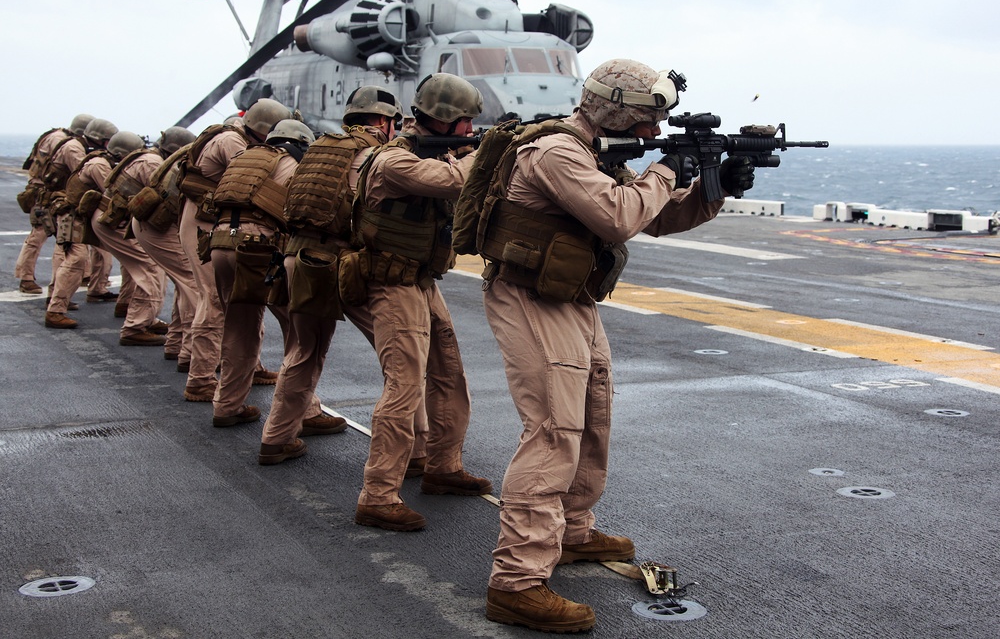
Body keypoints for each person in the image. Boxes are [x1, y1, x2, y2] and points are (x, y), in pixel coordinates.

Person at [479, 59, 754, 633]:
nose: (655, 134)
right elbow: (618, 216)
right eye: (649, 120)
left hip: (570, 295)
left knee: (592, 414)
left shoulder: (595, 152)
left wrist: (714, 188)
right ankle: (517, 582)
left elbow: (657, 219)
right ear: (616, 109)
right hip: (531, 297)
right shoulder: (558, 152)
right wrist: (664, 170)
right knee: (553, 430)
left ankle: (573, 530)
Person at [351, 73, 492, 531]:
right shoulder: (393, 160)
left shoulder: (435, 152)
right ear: (445, 119)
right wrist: (488, 152)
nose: (471, 130)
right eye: (466, 121)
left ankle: (442, 466)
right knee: (404, 385)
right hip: (391, 283)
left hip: (421, 280)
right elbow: (453, 181)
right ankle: (378, 494)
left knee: (449, 370)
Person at [259, 85, 418, 465]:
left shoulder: (317, 148)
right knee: (403, 360)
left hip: (297, 256)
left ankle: (276, 438)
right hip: (336, 263)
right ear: (383, 120)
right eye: (393, 122)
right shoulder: (372, 155)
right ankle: (417, 455)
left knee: (304, 350)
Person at [176, 98, 291, 402]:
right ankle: (200, 378)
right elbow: (258, 179)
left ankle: (248, 368)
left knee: (233, 302)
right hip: (203, 222)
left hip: (213, 220)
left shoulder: (233, 135)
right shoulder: (232, 141)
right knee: (213, 299)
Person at [206, 118, 313, 428]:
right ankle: (306, 411)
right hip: (258, 246)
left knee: (238, 325)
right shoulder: (290, 162)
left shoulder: (244, 157)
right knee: (297, 326)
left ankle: (227, 406)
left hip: (220, 242)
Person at [92, 131, 171, 346]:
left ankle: (134, 309)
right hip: (114, 221)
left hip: (111, 218)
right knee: (150, 267)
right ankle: (135, 327)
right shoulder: (153, 163)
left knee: (138, 266)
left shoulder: (146, 159)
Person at [130, 127, 199, 366]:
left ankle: (176, 343)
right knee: (194, 285)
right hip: (159, 228)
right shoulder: (183, 163)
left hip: (152, 225)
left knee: (185, 284)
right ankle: (191, 353)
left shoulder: (168, 160)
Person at [42, 118, 119, 329]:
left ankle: (84, 294)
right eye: (107, 141)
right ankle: (56, 309)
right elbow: (106, 186)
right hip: (70, 211)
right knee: (75, 259)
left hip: (77, 211)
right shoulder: (79, 152)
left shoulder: (83, 149)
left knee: (79, 256)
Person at [14, 114, 92, 295]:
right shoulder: (66, 142)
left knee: (40, 236)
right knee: (50, 236)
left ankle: (27, 277)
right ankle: (29, 280)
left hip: (40, 189)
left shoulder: (55, 135)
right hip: (48, 193)